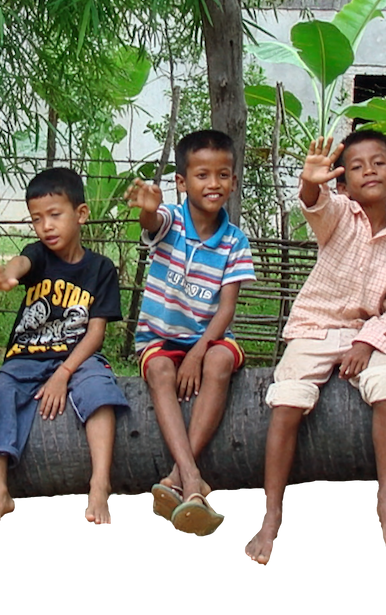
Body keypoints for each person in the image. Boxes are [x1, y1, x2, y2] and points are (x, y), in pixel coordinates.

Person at [243, 131, 386, 567]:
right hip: (314, 328)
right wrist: (309, 183)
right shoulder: (339, 215)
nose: (368, 171)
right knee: (286, 401)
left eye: (379, 163)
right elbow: (315, 204)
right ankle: (271, 514)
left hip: (367, 331)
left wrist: (366, 341)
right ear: (343, 185)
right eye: (356, 167)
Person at [0, 167, 132, 535]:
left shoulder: (101, 269)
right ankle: (0, 493)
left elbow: (95, 335)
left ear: (80, 214)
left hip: (77, 357)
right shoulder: (38, 255)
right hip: (27, 355)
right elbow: (21, 264)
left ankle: (99, 484)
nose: (45, 226)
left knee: (100, 391)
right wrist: (7, 275)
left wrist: (64, 374)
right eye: (36, 218)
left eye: (54, 215)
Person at [124, 129, 254, 538]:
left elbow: (227, 308)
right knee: (160, 372)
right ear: (182, 182)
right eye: (202, 175)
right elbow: (152, 220)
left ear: (233, 180)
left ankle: (177, 475)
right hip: (160, 337)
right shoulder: (172, 221)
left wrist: (199, 351)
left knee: (219, 360)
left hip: (208, 336)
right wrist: (146, 209)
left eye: (222, 175)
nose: (213, 184)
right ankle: (193, 481)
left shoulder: (234, 241)